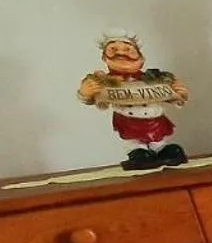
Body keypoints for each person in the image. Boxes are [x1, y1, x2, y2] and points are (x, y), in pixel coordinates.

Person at [77, 30, 190, 170]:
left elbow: (172, 95)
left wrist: (179, 92)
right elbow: (90, 98)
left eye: (128, 50)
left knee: (159, 140)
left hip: (155, 119)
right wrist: (86, 92)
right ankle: (139, 152)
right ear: (104, 58)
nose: (121, 53)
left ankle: (161, 149)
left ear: (141, 58)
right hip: (128, 119)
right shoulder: (104, 82)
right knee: (136, 144)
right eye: (113, 50)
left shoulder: (153, 78)